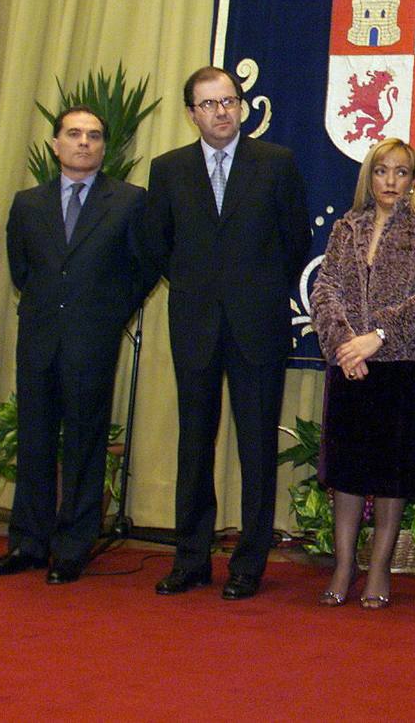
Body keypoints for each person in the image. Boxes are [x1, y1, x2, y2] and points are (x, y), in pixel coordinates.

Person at [144, 66, 311, 600]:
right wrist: (200, 289)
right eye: (208, 104)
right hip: (194, 324)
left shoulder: (275, 162)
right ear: (191, 113)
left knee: (257, 446)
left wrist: (256, 291)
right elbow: (160, 246)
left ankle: (249, 565)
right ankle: (190, 558)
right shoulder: (168, 169)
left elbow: (296, 240)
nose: (221, 111)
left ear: (240, 106)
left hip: (257, 325)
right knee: (194, 442)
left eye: (229, 101)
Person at [0, 107, 156, 584]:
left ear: (104, 147)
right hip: (38, 336)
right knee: (35, 440)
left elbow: (141, 269)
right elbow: (22, 270)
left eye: (94, 136)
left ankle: (74, 546)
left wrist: (107, 312)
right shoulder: (27, 203)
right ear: (55, 144)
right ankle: (28, 544)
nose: (84, 143)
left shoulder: (128, 201)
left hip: (92, 338)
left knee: (85, 441)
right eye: (74, 134)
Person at [310, 138, 415, 609]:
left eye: (401, 172)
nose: (391, 181)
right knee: (347, 473)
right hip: (349, 365)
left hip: (401, 365)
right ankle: (345, 565)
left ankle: (378, 569)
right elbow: (326, 287)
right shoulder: (346, 227)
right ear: (368, 177)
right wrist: (345, 345)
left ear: (414, 180)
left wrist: (378, 336)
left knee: (392, 475)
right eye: (382, 171)